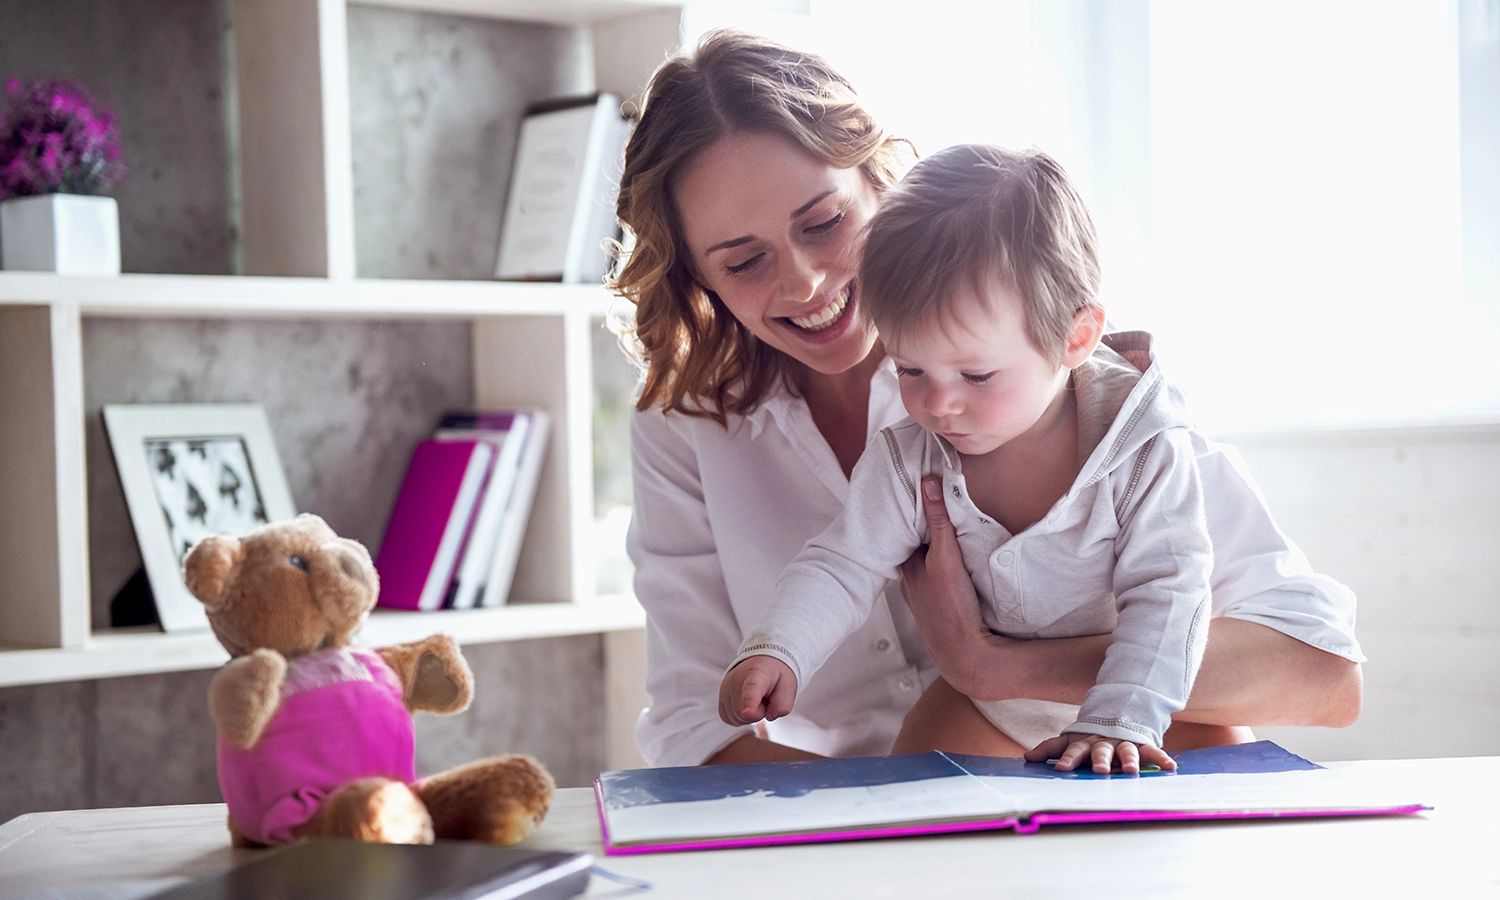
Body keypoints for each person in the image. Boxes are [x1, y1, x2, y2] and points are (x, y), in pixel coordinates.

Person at [609, 29, 1365, 770]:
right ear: (696, 277)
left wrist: (993, 668)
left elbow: (1323, 676)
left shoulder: (1072, 388)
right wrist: (869, 806)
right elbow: (695, 719)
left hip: (1129, 743)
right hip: (887, 788)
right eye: (743, 261)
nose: (804, 282)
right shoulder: (691, 422)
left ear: (880, 184)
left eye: (825, 223)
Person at [723, 143, 1223, 774]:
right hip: (994, 708)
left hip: (1151, 705)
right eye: (909, 368)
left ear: (1076, 337)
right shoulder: (908, 462)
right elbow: (842, 563)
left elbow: (1170, 594)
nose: (938, 404)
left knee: (1226, 782)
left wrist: (1120, 718)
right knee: (917, 807)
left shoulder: (1145, 447)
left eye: (977, 375)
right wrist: (778, 648)